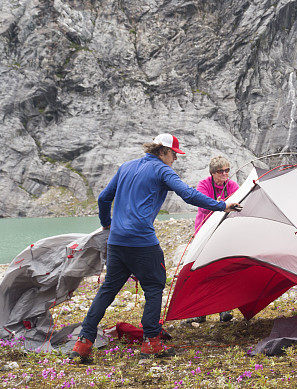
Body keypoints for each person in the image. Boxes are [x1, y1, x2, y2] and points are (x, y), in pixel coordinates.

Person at [69, 133, 240, 363]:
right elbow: (188, 195)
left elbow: (103, 199)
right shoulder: (162, 170)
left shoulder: (126, 167)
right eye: (174, 155)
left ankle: (83, 343)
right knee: (154, 287)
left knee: (108, 290)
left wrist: (107, 225)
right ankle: (151, 343)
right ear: (164, 152)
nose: (175, 160)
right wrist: (222, 206)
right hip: (142, 241)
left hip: (117, 242)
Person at [188, 155, 240, 324]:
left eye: (227, 170)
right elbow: (202, 206)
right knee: (203, 270)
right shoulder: (204, 184)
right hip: (205, 231)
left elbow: (238, 203)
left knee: (223, 269)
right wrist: (218, 204)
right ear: (212, 173)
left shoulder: (232, 185)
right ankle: (200, 312)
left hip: (225, 231)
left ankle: (224, 309)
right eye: (220, 171)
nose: (225, 174)